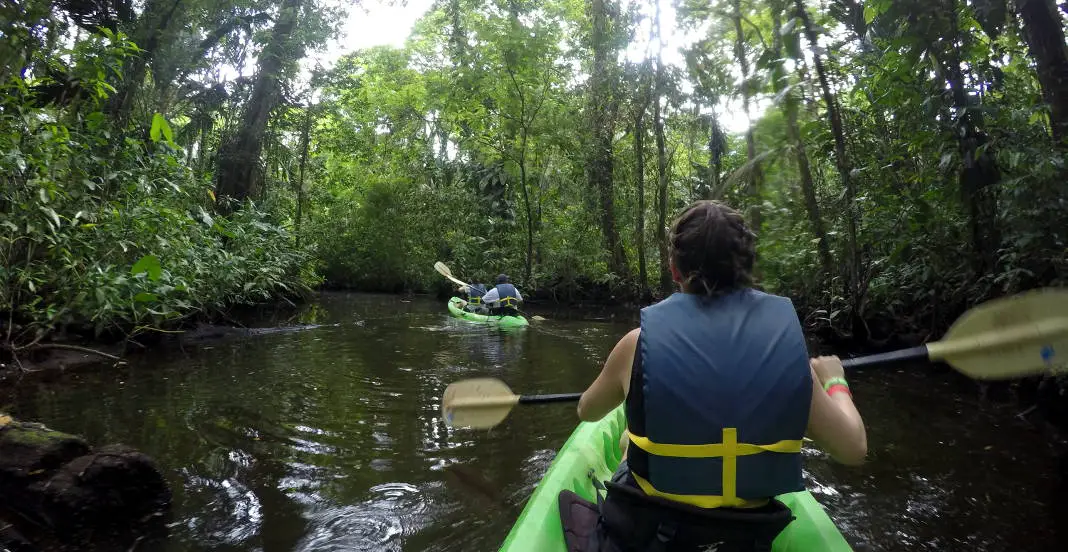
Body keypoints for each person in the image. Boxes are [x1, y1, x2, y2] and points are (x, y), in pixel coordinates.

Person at [570, 200, 867, 552]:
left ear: (675, 270)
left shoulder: (638, 344)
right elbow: (853, 449)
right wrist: (835, 381)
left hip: (652, 531)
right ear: (747, 268)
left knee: (627, 446)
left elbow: (586, 411)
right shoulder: (788, 353)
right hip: (742, 538)